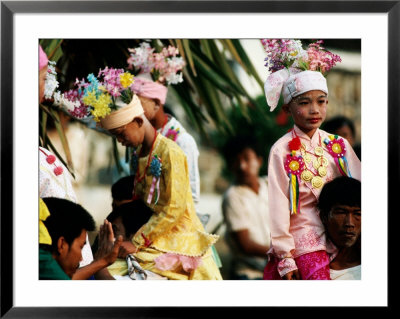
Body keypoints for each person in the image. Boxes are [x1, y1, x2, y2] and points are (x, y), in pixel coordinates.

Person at [261, 39, 361, 280]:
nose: (314, 109)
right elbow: (277, 206)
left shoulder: (338, 144)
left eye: (321, 101)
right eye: (304, 103)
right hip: (305, 241)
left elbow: (361, 189)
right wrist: (285, 256)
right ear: (287, 109)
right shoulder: (281, 150)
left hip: (342, 233)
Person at [98, 93, 222, 280]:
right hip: (151, 233)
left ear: (139, 121)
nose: (120, 142)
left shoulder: (170, 151)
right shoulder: (139, 152)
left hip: (177, 237)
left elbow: (174, 209)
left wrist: (137, 241)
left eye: (121, 134)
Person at [221, 136, 271, 280]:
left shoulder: (269, 185)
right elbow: (245, 245)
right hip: (249, 274)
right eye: (236, 161)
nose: (242, 166)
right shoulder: (233, 196)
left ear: (259, 161)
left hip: (275, 269)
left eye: (247, 159)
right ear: (230, 166)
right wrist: (282, 254)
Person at [39, 197, 122, 280]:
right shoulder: (43, 262)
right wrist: (103, 261)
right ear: (61, 244)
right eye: (81, 247)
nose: (81, 258)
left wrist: (101, 262)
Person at [317, 176, 361, 280]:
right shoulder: (306, 270)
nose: (349, 223)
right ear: (324, 216)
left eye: (358, 214)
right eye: (341, 212)